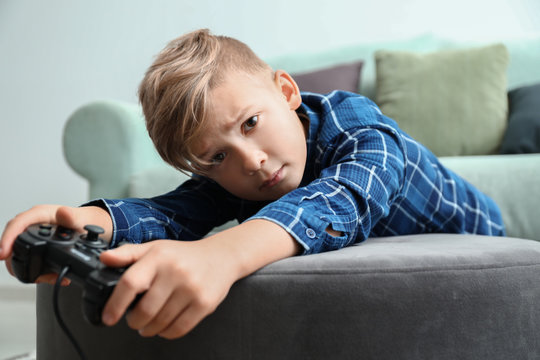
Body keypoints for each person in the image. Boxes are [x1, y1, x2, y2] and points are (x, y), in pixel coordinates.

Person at [0, 29, 505, 339]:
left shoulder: (360, 128)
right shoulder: (234, 175)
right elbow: (177, 212)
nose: (253, 161)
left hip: (481, 229)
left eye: (250, 123)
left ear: (285, 91)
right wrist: (92, 222)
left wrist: (223, 255)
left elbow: (343, 198)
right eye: (216, 157)